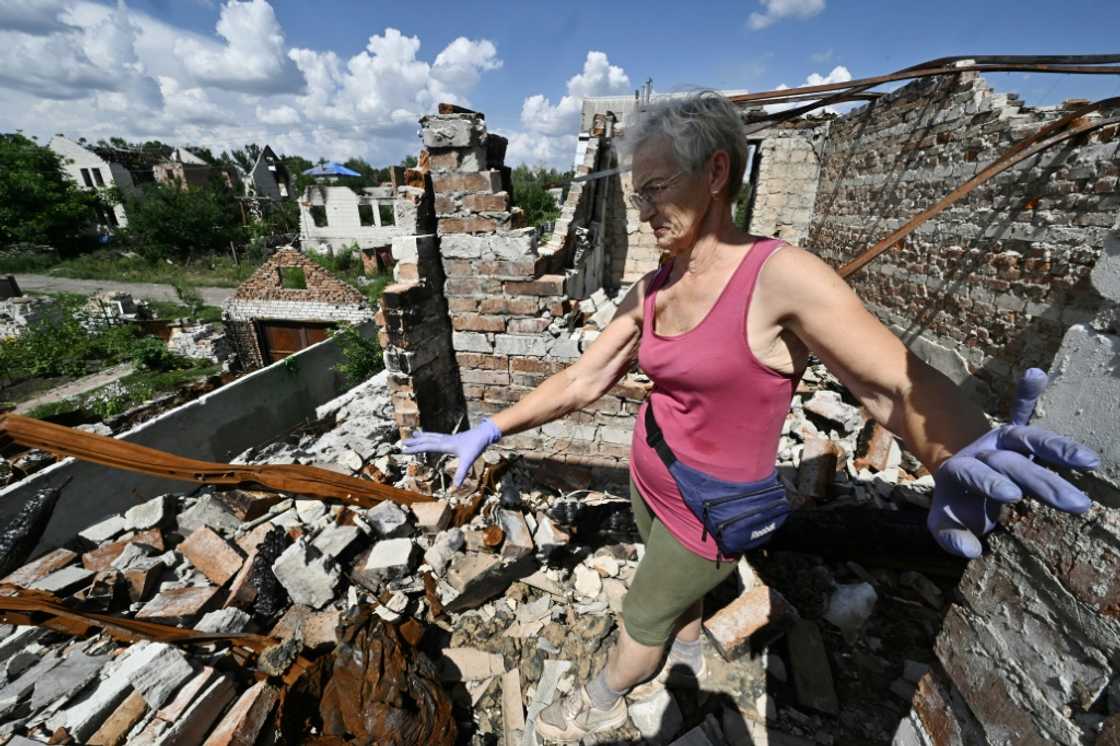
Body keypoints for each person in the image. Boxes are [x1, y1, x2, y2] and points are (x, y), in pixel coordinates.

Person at [401, 92, 1099, 742]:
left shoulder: (779, 276)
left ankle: (601, 697)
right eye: (635, 194)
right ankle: (694, 635)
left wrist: (959, 447)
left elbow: (889, 382)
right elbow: (585, 377)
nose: (643, 210)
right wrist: (490, 429)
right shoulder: (655, 285)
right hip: (653, 477)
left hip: (711, 509)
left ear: (715, 172)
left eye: (655, 189)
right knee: (670, 585)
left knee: (640, 617)